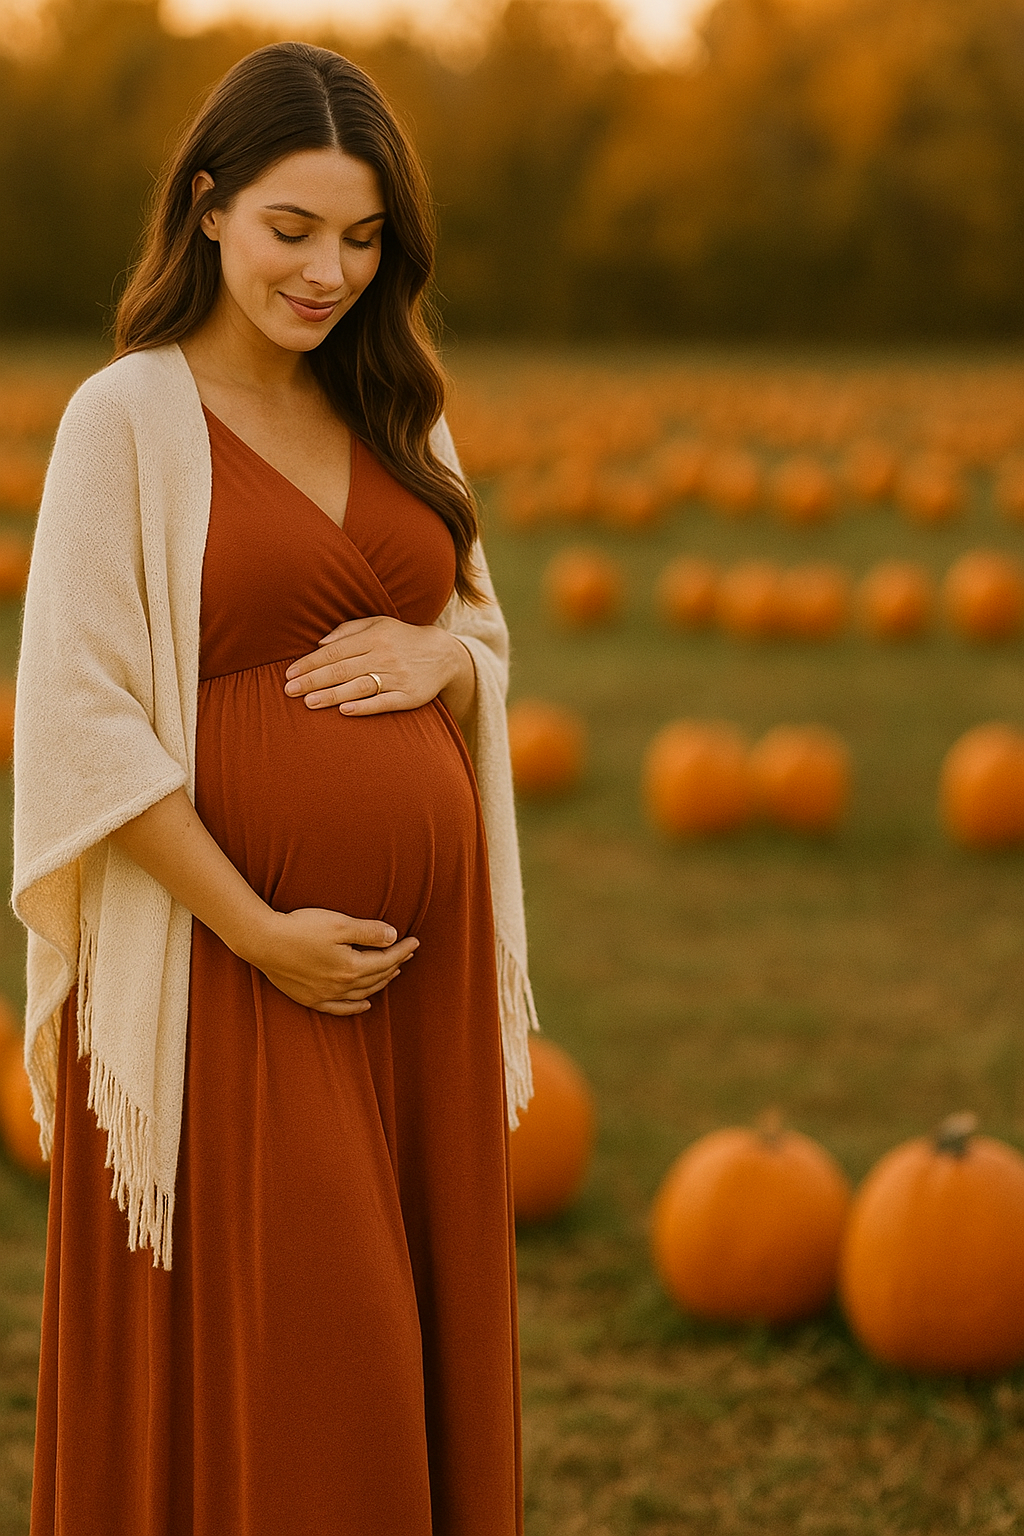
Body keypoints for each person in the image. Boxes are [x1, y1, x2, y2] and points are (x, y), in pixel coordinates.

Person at [13, 40, 536, 1536]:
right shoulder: (130, 419)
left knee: (400, 1358)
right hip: (235, 978)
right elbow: (81, 727)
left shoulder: (400, 406)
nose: (328, 272)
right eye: (293, 230)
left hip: (412, 991)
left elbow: (479, 631)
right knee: (332, 1379)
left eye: (364, 238)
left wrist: (443, 663)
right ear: (209, 208)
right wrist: (259, 933)